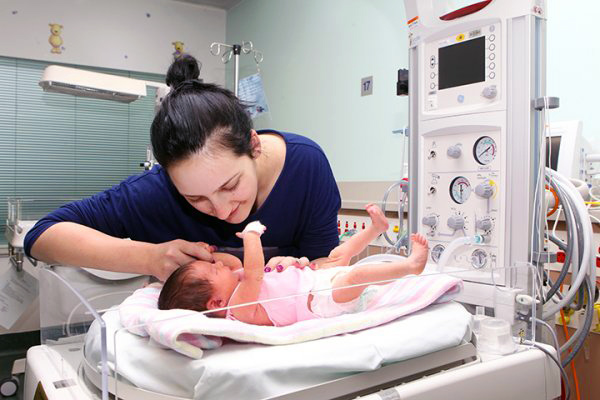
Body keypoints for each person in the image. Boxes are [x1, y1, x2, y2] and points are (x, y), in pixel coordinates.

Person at [23, 55, 341, 281]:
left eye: (230, 186)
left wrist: (299, 271)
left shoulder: (305, 167)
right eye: (194, 198)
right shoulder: (156, 192)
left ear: (254, 146)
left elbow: (327, 266)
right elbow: (41, 236)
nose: (220, 209)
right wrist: (150, 258)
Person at [158, 204, 429, 327]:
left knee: (338, 256)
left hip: (313, 280)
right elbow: (253, 272)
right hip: (320, 303)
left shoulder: (230, 283)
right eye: (215, 272)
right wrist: (251, 235)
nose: (221, 268)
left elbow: (231, 263)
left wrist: (212, 255)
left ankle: (375, 229)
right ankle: (411, 266)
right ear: (215, 303)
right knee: (357, 274)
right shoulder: (237, 309)